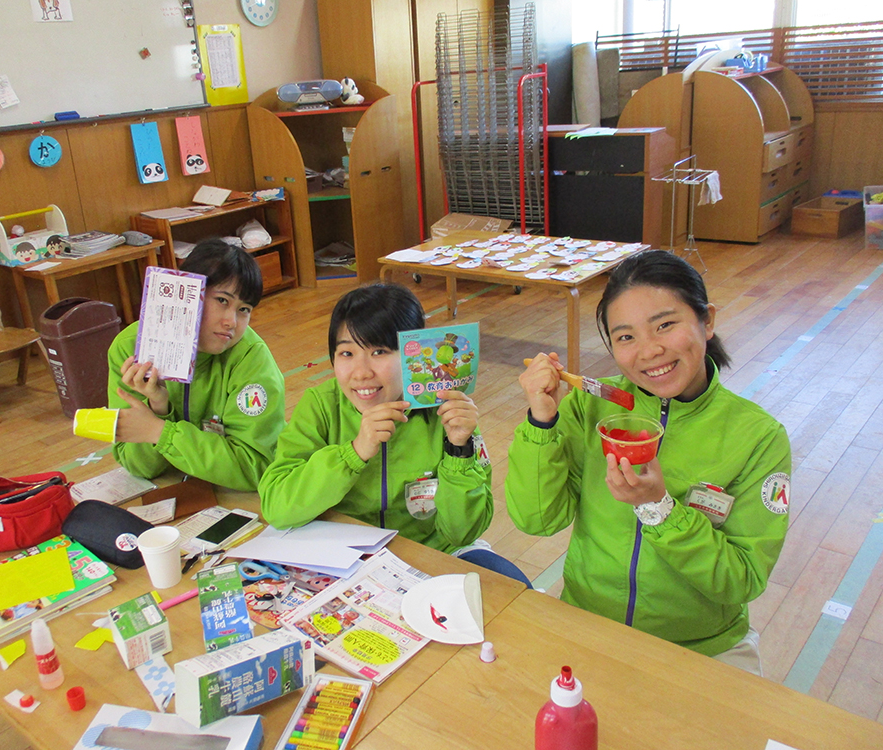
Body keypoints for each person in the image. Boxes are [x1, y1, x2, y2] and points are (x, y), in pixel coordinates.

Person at [505, 250, 790, 675]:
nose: (650, 351)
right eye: (625, 337)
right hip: (588, 621)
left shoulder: (758, 437)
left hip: (703, 646)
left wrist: (660, 509)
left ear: (707, 321)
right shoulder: (590, 405)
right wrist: (541, 422)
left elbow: (742, 579)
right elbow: (537, 520)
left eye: (665, 325)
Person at [259, 283, 497, 556]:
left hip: (432, 552)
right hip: (344, 554)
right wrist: (353, 454)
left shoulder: (447, 410)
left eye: (379, 352)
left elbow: (463, 533)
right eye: (347, 353)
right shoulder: (321, 405)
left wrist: (459, 450)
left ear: (412, 355)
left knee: (500, 575)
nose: (361, 373)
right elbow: (277, 507)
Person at [107, 238, 285, 490]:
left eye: (244, 309)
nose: (231, 322)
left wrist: (160, 432)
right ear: (187, 293)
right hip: (173, 489)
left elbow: (254, 466)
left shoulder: (250, 358)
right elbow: (138, 466)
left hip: (236, 493)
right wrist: (158, 407)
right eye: (222, 300)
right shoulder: (131, 348)